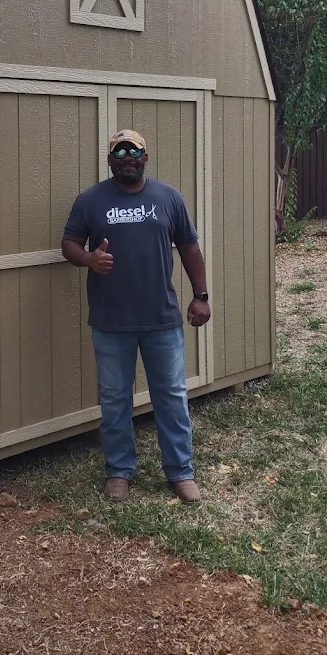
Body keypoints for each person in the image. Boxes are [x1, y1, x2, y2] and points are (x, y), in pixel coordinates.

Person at [61, 129, 211, 503]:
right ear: (110, 159)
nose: (128, 156)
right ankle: (119, 471)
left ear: (146, 156)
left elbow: (190, 249)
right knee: (114, 399)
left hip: (161, 318)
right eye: (120, 151)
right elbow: (69, 244)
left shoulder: (168, 197)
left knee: (172, 397)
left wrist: (201, 296)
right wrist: (88, 259)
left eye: (135, 150)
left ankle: (180, 472)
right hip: (111, 322)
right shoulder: (90, 201)